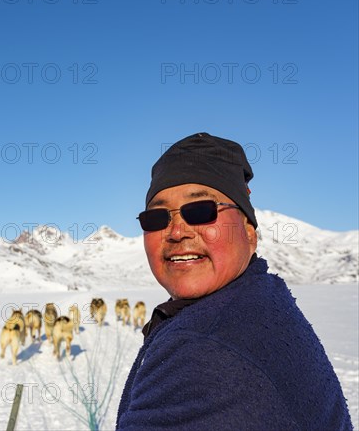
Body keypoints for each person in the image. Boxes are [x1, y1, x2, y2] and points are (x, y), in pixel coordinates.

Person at [116, 133, 352, 430]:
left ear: (250, 233)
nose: (176, 232)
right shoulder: (262, 300)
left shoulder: (202, 351)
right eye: (156, 218)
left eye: (200, 210)